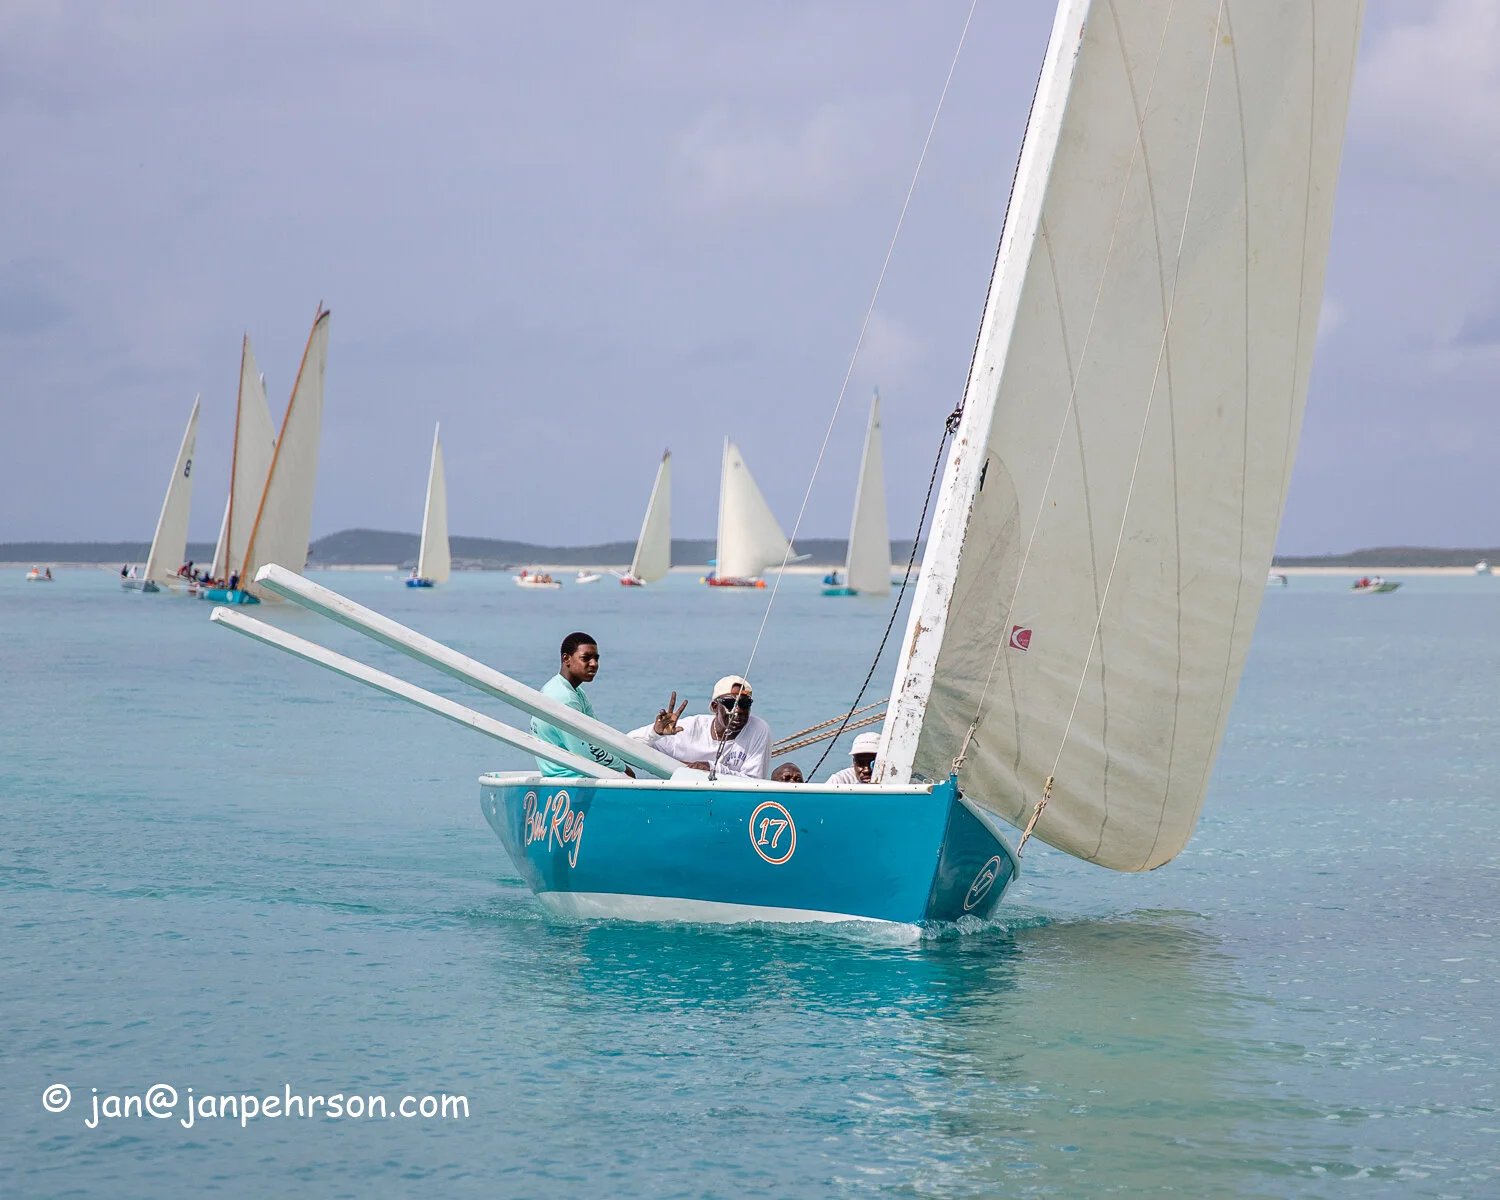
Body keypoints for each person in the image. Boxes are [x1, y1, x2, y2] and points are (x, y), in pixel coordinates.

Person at [531, 632, 635, 778]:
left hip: (567, 773)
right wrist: (622, 767)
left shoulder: (573, 690)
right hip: (569, 776)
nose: (594, 664)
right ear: (566, 659)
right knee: (628, 777)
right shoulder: (565, 697)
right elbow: (582, 753)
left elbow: (597, 733)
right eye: (586, 658)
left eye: (596, 658)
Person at [630, 676, 770, 778]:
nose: (738, 710)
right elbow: (628, 744)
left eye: (745, 704)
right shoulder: (688, 728)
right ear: (715, 707)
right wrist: (655, 733)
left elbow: (754, 783)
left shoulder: (758, 729)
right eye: (730, 703)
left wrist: (711, 768)